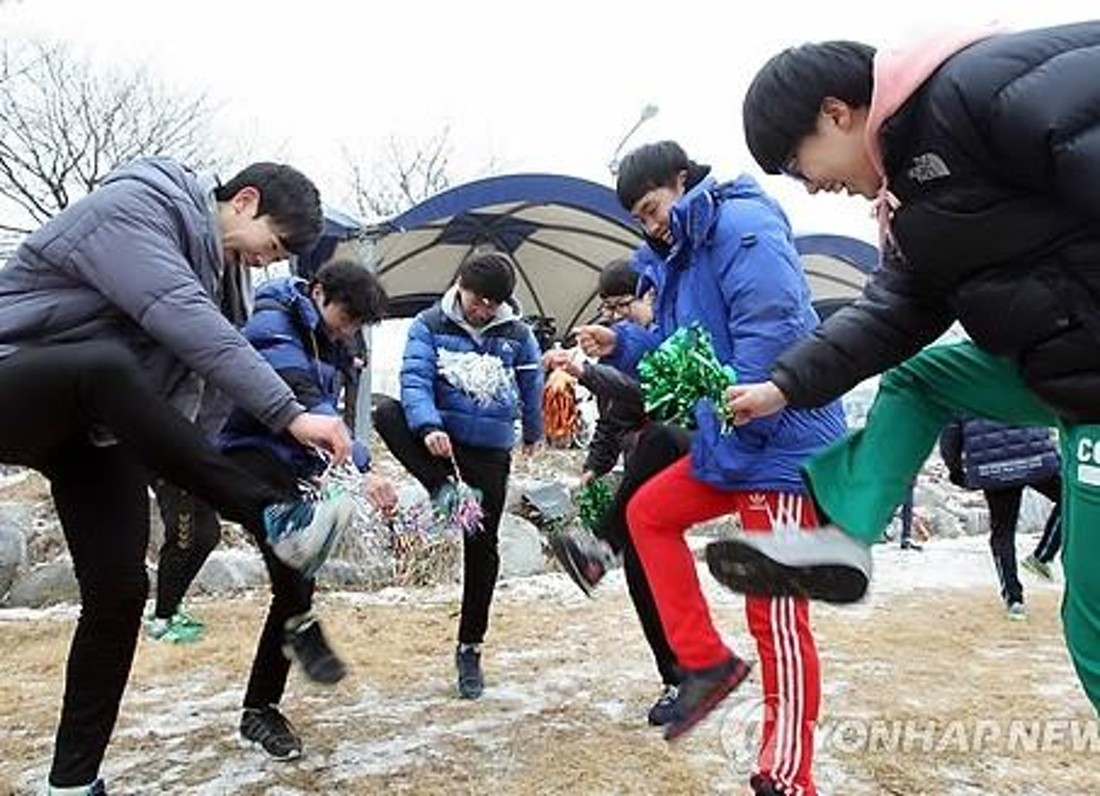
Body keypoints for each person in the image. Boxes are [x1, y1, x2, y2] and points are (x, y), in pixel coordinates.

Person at [713, 22, 1100, 714]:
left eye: (799, 165)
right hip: (1068, 371)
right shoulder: (915, 203)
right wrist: (785, 385)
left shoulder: (974, 91)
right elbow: (896, 311)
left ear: (837, 113)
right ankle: (840, 541)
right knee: (920, 378)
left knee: (1095, 629)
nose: (811, 187)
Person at [0, 157, 361, 795]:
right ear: (244, 202)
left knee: (119, 593)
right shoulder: (137, 209)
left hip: (89, 433)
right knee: (108, 367)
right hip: (17, 378)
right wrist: (288, 414)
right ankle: (273, 519)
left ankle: (71, 783)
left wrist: (184, 471)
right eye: (273, 245)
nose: (266, 262)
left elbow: (200, 397)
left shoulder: (225, 281)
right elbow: (180, 318)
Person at [577, 141, 847, 794]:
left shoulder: (742, 227)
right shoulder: (680, 255)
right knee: (647, 512)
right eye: (639, 220)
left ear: (681, 180)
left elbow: (775, 330)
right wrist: (628, 342)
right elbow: (685, 355)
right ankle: (705, 663)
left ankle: (787, 774)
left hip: (781, 442)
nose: (651, 225)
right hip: (730, 441)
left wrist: (749, 420)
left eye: (652, 208)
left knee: (776, 616)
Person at [218, 258, 397, 760]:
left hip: (295, 460)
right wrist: (360, 472)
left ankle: (261, 708)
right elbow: (297, 390)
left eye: (359, 325)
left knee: (296, 579)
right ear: (318, 292)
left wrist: (359, 465)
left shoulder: (340, 344)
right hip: (244, 449)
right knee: (294, 564)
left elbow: (335, 416)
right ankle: (300, 630)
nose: (349, 330)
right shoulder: (273, 315)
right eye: (346, 317)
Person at [373, 249, 544, 700]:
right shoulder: (430, 324)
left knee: (481, 547)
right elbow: (415, 378)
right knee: (385, 412)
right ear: (460, 286)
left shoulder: (517, 334)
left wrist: (534, 430)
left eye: (493, 303)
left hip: (490, 449)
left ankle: (470, 647)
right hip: (444, 444)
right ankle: (447, 492)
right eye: (477, 299)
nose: (482, 309)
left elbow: (531, 382)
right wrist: (428, 425)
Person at [545, 256, 688, 727]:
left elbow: (645, 392)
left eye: (623, 303)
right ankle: (678, 677)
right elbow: (613, 416)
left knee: (661, 437)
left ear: (649, 297)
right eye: (607, 306)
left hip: (687, 451)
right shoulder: (617, 343)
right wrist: (593, 466)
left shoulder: (671, 334)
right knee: (644, 571)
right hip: (644, 467)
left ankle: (599, 549)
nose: (615, 315)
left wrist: (586, 371)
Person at [147, 259, 256, 644]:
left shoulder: (234, 342)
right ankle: (161, 619)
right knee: (185, 533)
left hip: (198, 450)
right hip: (170, 447)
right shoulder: (195, 338)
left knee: (206, 533)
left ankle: (169, 608)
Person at [939, 418, 1062, 620]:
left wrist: (956, 471)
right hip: (1035, 459)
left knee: (1003, 532)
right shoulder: (1021, 383)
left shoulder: (962, 387)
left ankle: (1014, 600)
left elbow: (950, 433)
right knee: (1070, 500)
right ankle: (1042, 556)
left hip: (994, 468)